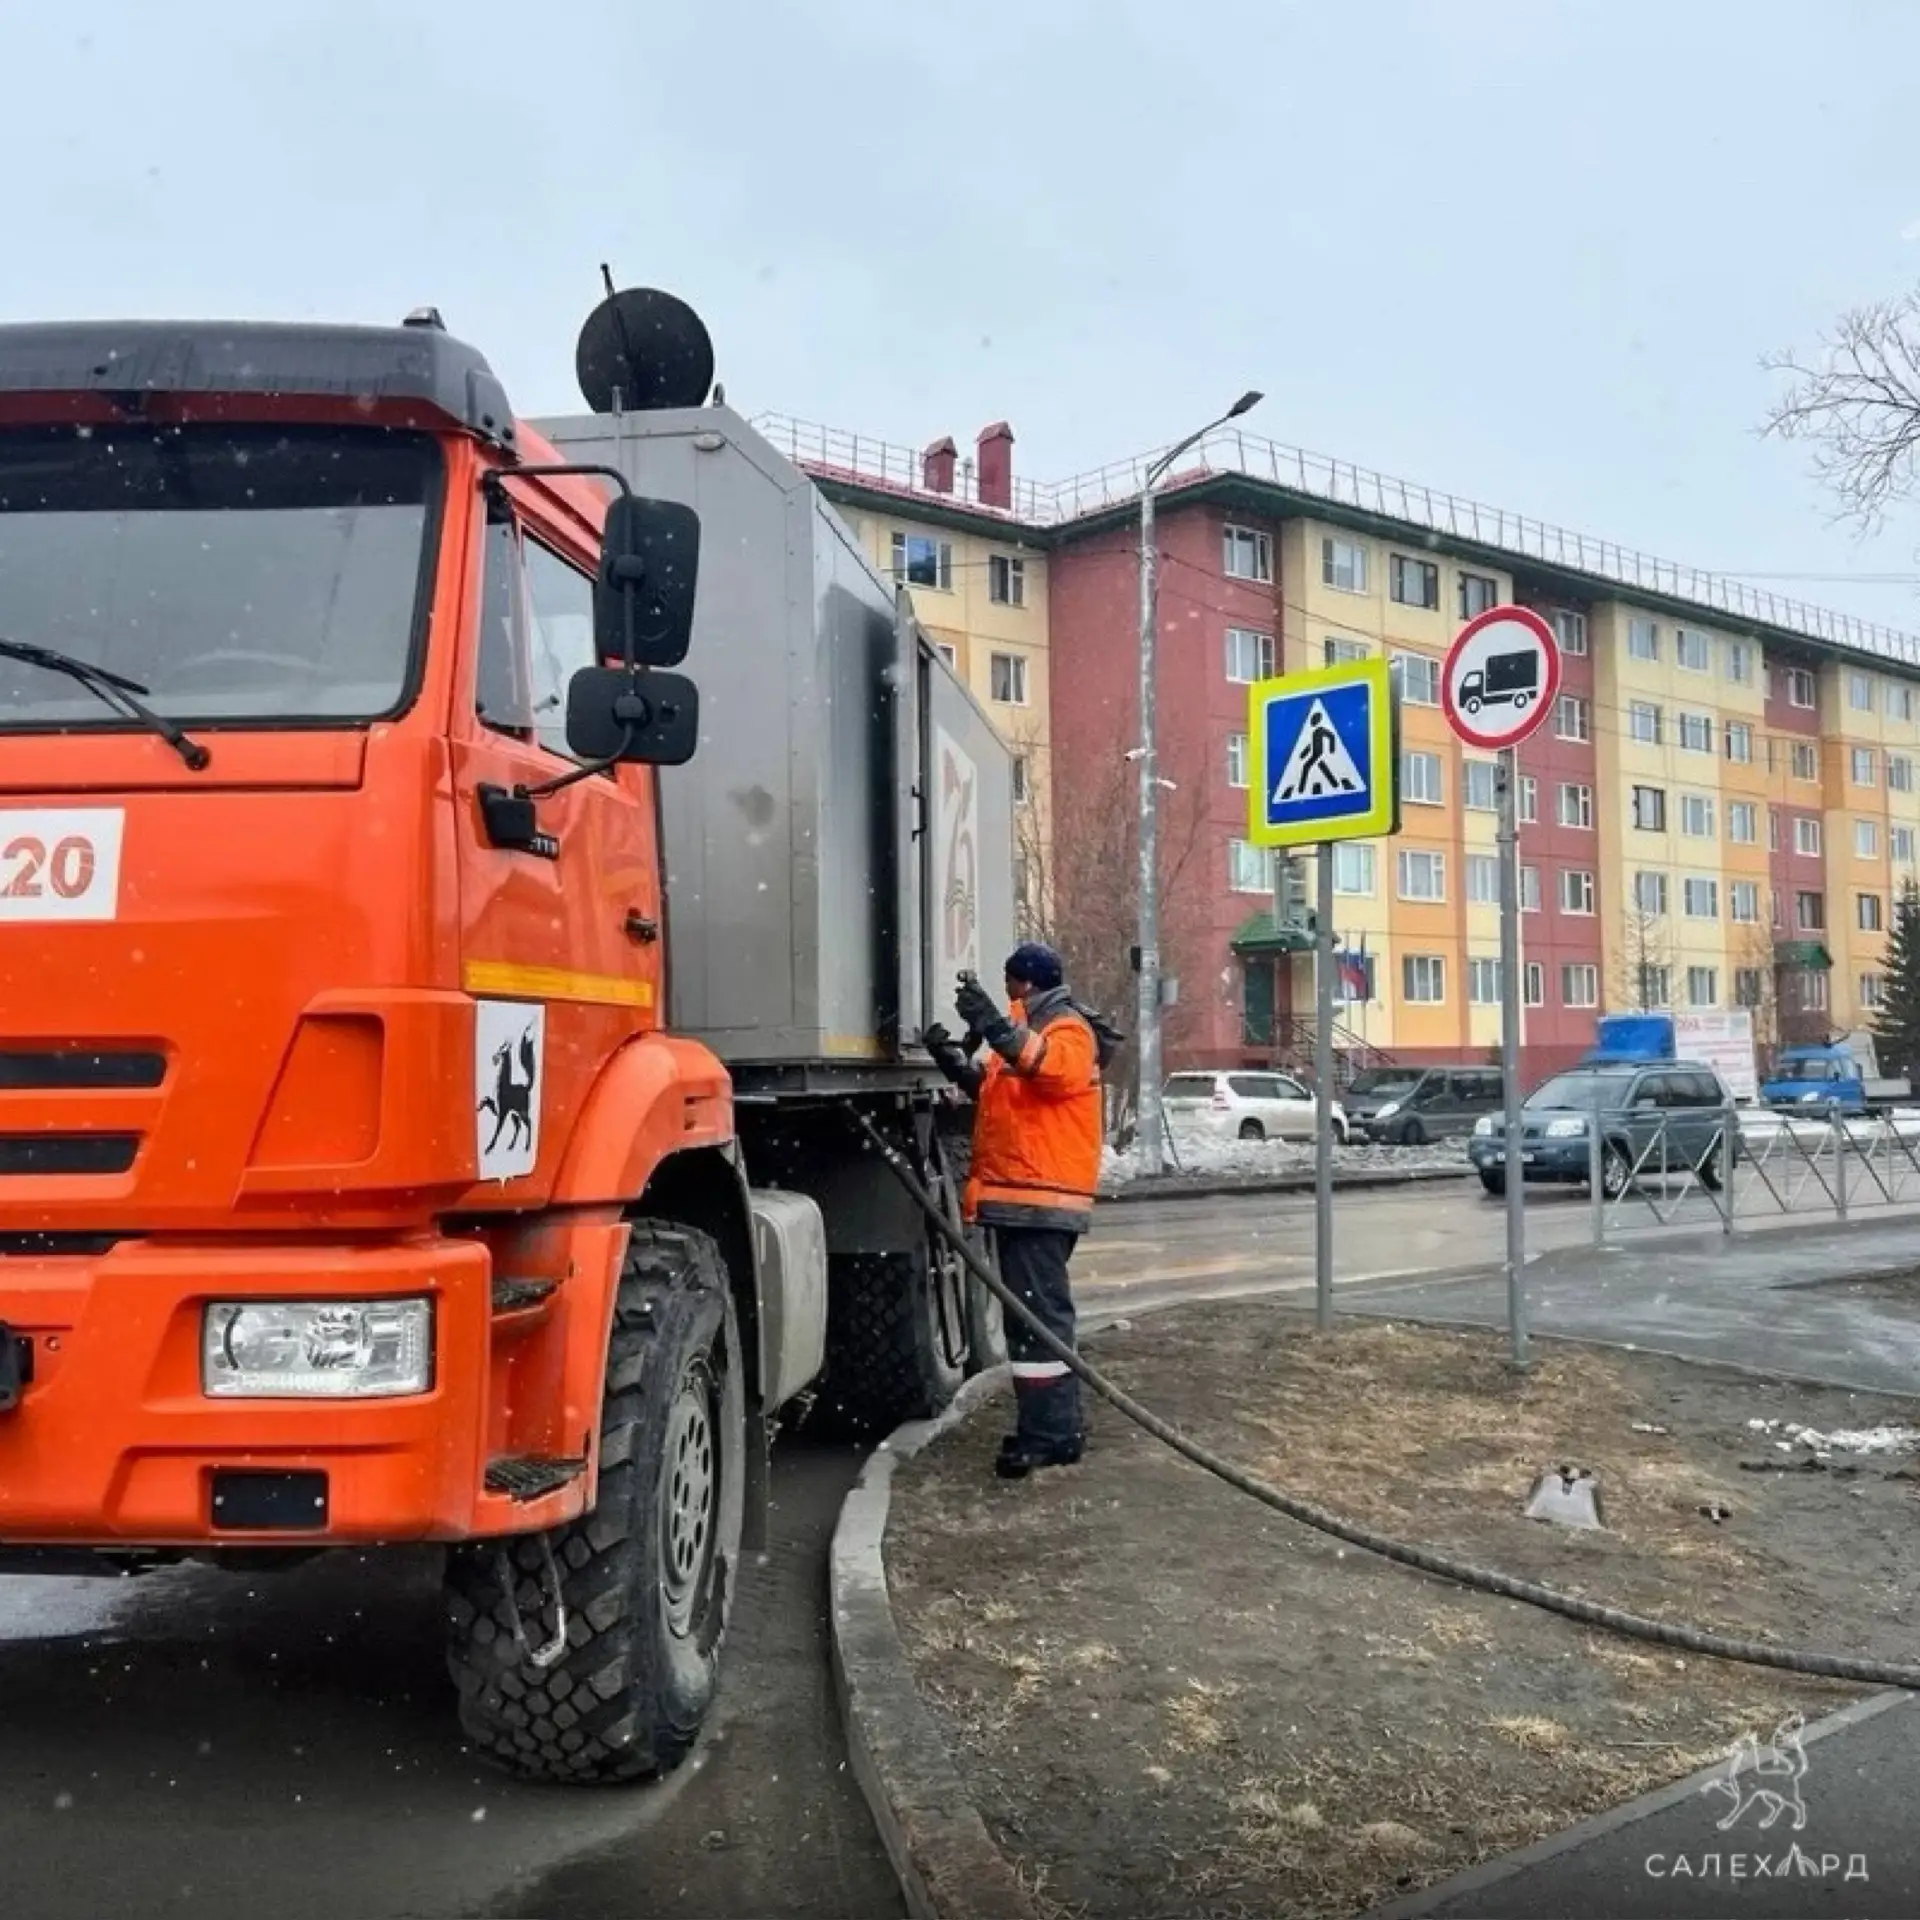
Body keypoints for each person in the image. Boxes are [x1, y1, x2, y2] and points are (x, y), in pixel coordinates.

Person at [922, 943, 1117, 1479]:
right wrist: (952, 1061)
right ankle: (1048, 1429)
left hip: (1042, 1202)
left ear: (1025, 982)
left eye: (1009, 980)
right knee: (1032, 1322)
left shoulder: (1068, 1029)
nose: (1006, 988)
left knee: (1039, 1323)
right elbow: (999, 1092)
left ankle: (1052, 1436)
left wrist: (990, 1023)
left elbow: (1048, 1070)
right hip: (1025, 1201)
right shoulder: (1035, 1027)